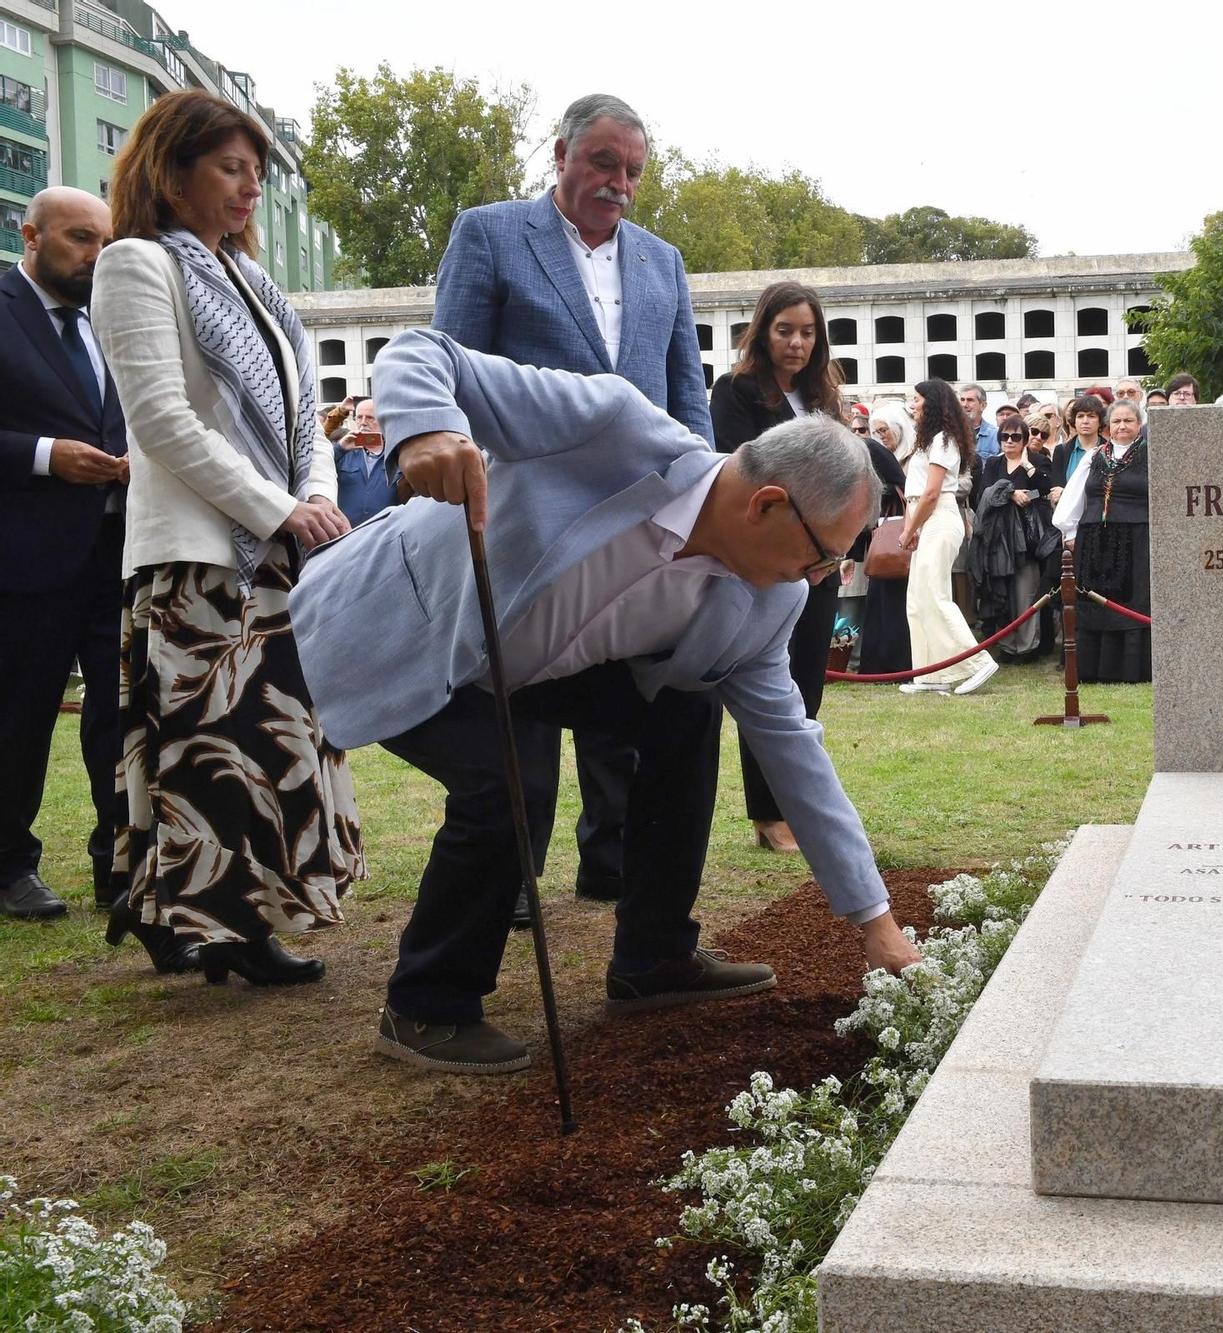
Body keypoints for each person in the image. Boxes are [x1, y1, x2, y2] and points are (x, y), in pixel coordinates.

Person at [288, 331, 924, 1071]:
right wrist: (427, 427)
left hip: (543, 666)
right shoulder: (614, 426)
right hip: (415, 623)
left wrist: (874, 921)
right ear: (768, 504)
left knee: (688, 711)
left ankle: (653, 957)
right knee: (507, 783)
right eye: (822, 554)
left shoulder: (764, 604)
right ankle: (427, 1005)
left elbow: (794, 751)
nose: (821, 578)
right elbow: (421, 353)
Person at [92, 88, 363, 985]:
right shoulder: (135, 264)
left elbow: (302, 421)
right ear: (172, 176)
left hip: (274, 558)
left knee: (268, 746)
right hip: (196, 558)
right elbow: (163, 421)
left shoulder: (255, 284)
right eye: (230, 169)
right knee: (207, 752)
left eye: (256, 172)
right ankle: (207, 925)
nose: (250, 189)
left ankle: (240, 923)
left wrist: (312, 497)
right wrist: (276, 508)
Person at [432, 93, 712, 911]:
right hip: (527, 516)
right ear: (560, 155)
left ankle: (612, 859)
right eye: (602, 162)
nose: (618, 183)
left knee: (625, 686)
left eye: (632, 171)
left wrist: (698, 494)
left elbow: (686, 393)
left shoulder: (663, 260)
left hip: (637, 514)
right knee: (520, 696)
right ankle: (513, 873)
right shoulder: (490, 233)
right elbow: (452, 363)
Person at [0, 187, 127, 923]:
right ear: (31, 235)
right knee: (20, 716)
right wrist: (49, 456)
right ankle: (10, 864)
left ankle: (118, 857)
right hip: (26, 561)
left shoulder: (108, 322)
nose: (96, 256)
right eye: (81, 239)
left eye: (105, 241)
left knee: (119, 709)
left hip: (115, 550)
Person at [710, 281, 845, 855]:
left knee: (807, 681)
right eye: (785, 329)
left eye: (807, 332)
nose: (796, 342)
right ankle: (767, 812)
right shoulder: (736, 391)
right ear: (763, 331)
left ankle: (794, 803)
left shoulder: (823, 397)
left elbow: (843, 475)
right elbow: (747, 474)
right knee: (769, 685)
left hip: (822, 561)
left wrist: (832, 549)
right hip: (772, 562)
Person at [900, 379, 999, 696]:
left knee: (935, 595)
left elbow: (931, 494)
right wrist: (911, 526)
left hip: (939, 517)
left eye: (917, 400)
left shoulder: (944, 439)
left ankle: (977, 662)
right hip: (924, 518)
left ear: (932, 404)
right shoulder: (927, 440)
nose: (913, 405)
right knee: (917, 600)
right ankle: (929, 674)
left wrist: (910, 528)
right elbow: (915, 495)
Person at [1055, 400, 1152, 682]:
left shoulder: (1150, 455)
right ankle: (1094, 668)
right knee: (1094, 602)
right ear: (1109, 426)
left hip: (1136, 539)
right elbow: (1074, 496)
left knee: (1133, 602)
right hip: (1095, 540)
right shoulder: (1095, 456)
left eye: (1129, 421)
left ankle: (1132, 668)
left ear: (1139, 425)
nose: (1122, 426)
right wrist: (1070, 533)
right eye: (1117, 421)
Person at [973, 415, 1057, 660]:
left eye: (1015, 437)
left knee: (1026, 592)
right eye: (1004, 437)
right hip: (999, 539)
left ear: (1024, 439)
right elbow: (983, 494)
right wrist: (1009, 493)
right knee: (1005, 592)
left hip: (1028, 538)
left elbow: (1046, 489)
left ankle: (1028, 646)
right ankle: (1008, 646)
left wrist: (1027, 467)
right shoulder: (993, 464)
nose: (1009, 441)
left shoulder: (1038, 461)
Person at [858, 401, 916, 675]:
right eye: (876, 430)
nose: (880, 435)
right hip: (882, 535)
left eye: (885, 429)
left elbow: (905, 491)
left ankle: (896, 663)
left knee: (898, 602)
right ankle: (877, 664)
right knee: (880, 599)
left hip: (903, 535)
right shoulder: (878, 453)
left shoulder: (912, 455)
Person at [333, 398, 393, 527]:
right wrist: (340, 448)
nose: (363, 423)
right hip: (345, 533)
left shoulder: (395, 454)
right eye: (359, 417)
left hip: (384, 532)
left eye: (370, 418)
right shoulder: (342, 451)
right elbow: (318, 469)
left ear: (383, 421)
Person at [1051, 392, 1108, 512]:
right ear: (1074, 421)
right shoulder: (1061, 451)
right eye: (1080, 416)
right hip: (1070, 516)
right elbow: (1057, 491)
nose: (1085, 421)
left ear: (1100, 421)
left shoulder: (1109, 450)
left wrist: (1066, 493)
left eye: (1091, 416)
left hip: (1100, 516)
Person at [958, 382, 999, 460]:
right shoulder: (950, 434)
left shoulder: (995, 436)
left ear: (983, 406)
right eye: (962, 400)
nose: (964, 405)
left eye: (970, 400)